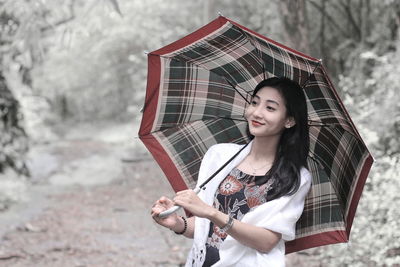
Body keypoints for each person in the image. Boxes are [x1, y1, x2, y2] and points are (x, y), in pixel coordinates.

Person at [151, 77, 312, 267]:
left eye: (270, 108)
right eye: (254, 102)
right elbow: (207, 229)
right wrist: (178, 223)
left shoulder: (295, 177)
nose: (257, 113)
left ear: (289, 120)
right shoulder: (220, 156)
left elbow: (267, 241)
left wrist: (212, 213)